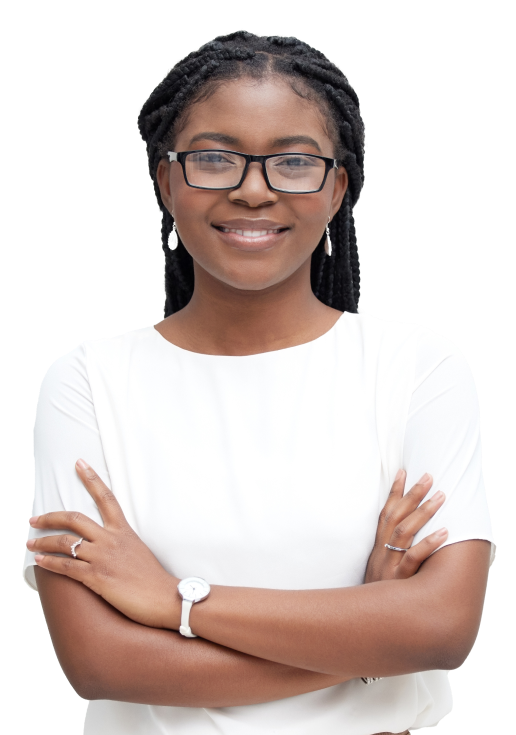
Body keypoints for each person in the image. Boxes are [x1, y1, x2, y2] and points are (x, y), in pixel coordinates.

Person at [24, 30, 494, 735]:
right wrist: (368, 639)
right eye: (215, 158)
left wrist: (175, 601)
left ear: (339, 187)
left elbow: (440, 628)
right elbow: (99, 662)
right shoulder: (86, 384)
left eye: (294, 162)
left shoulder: (417, 368)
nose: (252, 189)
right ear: (165, 179)